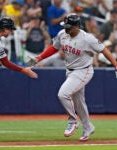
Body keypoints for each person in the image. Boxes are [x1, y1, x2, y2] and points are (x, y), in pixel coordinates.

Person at [27, 13, 117, 141]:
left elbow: (104, 50)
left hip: (84, 70)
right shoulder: (63, 34)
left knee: (63, 94)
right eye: (65, 26)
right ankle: (88, 127)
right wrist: (39, 57)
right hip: (70, 71)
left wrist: (115, 65)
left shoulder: (87, 38)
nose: (66, 28)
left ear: (77, 26)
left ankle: (72, 120)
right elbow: (54, 47)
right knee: (79, 102)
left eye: (69, 26)